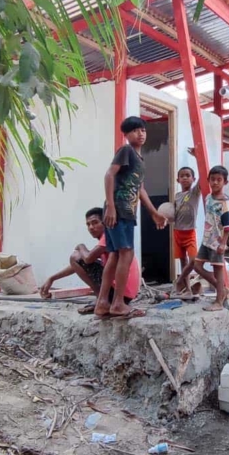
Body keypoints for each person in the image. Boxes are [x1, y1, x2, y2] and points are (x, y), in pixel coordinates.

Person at [94, 116, 166, 320]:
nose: (140, 133)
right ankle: (117, 303)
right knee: (125, 254)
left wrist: (154, 213)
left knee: (115, 255)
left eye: (143, 130)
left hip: (125, 211)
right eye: (135, 130)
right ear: (126, 135)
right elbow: (109, 175)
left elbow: (140, 189)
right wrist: (110, 206)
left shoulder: (139, 160)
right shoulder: (126, 151)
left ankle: (102, 303)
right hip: (119, 210)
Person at [39, 207, 140, 314]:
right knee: (78, 258)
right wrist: (52, 278)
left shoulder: (108, 236)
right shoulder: (106, 241)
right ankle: (103, 300)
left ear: (104, 223)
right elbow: (78, 265)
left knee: (75, 255)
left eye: (95, 223)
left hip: (121, 293)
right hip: (125, 294)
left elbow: (87, 259)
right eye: (88, 224)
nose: (91, 227)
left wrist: (81, 246)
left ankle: (101, 300)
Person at [194, 166, 229, 312]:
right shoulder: (208, 198)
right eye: (213, 179)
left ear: (225, 182)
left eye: (219, 180)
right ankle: (222, 289)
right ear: (208, 180)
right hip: (206, 239)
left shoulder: (225, 203)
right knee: (197, 266)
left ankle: (218, 300)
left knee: (218, 269)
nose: (215, 182)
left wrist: (223, 243)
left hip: (217, 241)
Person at [173, 166, 202, 295]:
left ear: (193, 179)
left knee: (194, 261)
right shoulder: (177, 196)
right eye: (182, 176)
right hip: (177, 232)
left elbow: (203, 178)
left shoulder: (194, 192)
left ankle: (179, 280)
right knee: (183, 261)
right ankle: (188, 290)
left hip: (190, 233)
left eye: (188, 175)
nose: (185, 178)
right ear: (177, 179)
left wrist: (198, 158)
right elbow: (172, 214)